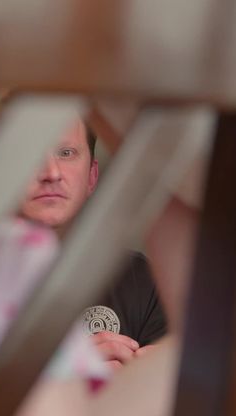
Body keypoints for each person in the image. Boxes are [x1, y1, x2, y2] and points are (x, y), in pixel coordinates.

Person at [18, 119, 167, 369]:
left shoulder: (143, 278)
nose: (51, 172)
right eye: (31, 151)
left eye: (66, 153)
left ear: (92, 176)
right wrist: (67, 369)